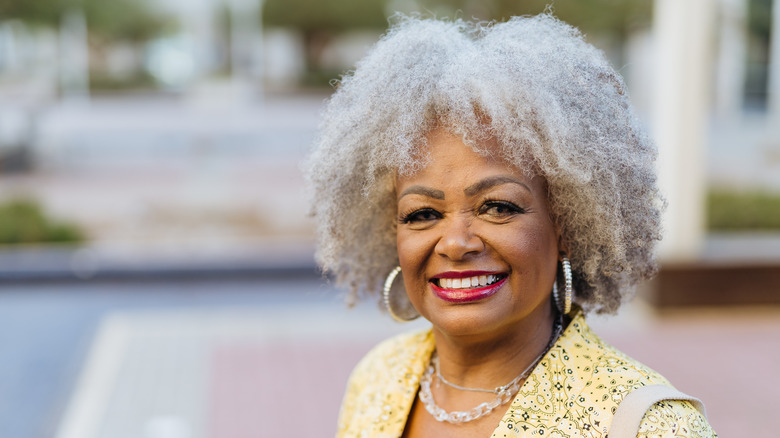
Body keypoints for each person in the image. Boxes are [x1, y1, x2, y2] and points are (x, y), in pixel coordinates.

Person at [304, 14, 717, 438]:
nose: (455, 243)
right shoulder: (376, 380)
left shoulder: (653, 427)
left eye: (497, 207)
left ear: (568, 226)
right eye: (422, 214)